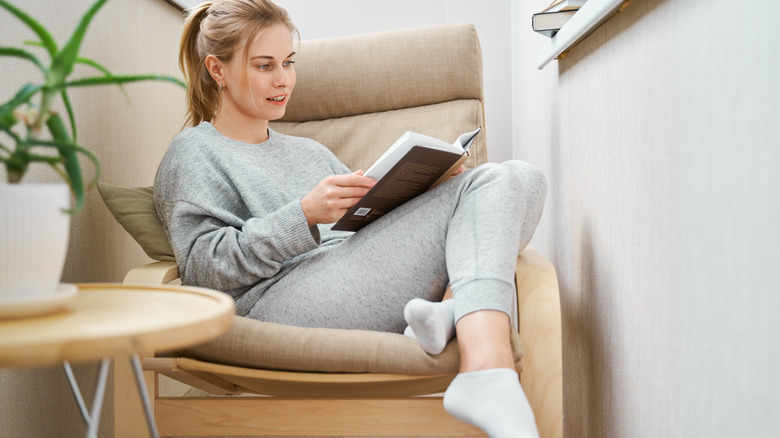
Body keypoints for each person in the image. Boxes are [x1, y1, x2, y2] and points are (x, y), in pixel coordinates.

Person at [154, 1, 546, 437]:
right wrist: (302, 216)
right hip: (275, 303)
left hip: (348, 273)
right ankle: (485, 368)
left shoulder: (308, 150)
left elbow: (363, 226)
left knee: (524, 178)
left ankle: (450, 310)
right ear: (217, 69)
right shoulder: (193, 153)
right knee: (491, 182)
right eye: (265, 65)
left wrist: (425, 190)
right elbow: (203, 271)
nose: (283, 79)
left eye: (288, 63)